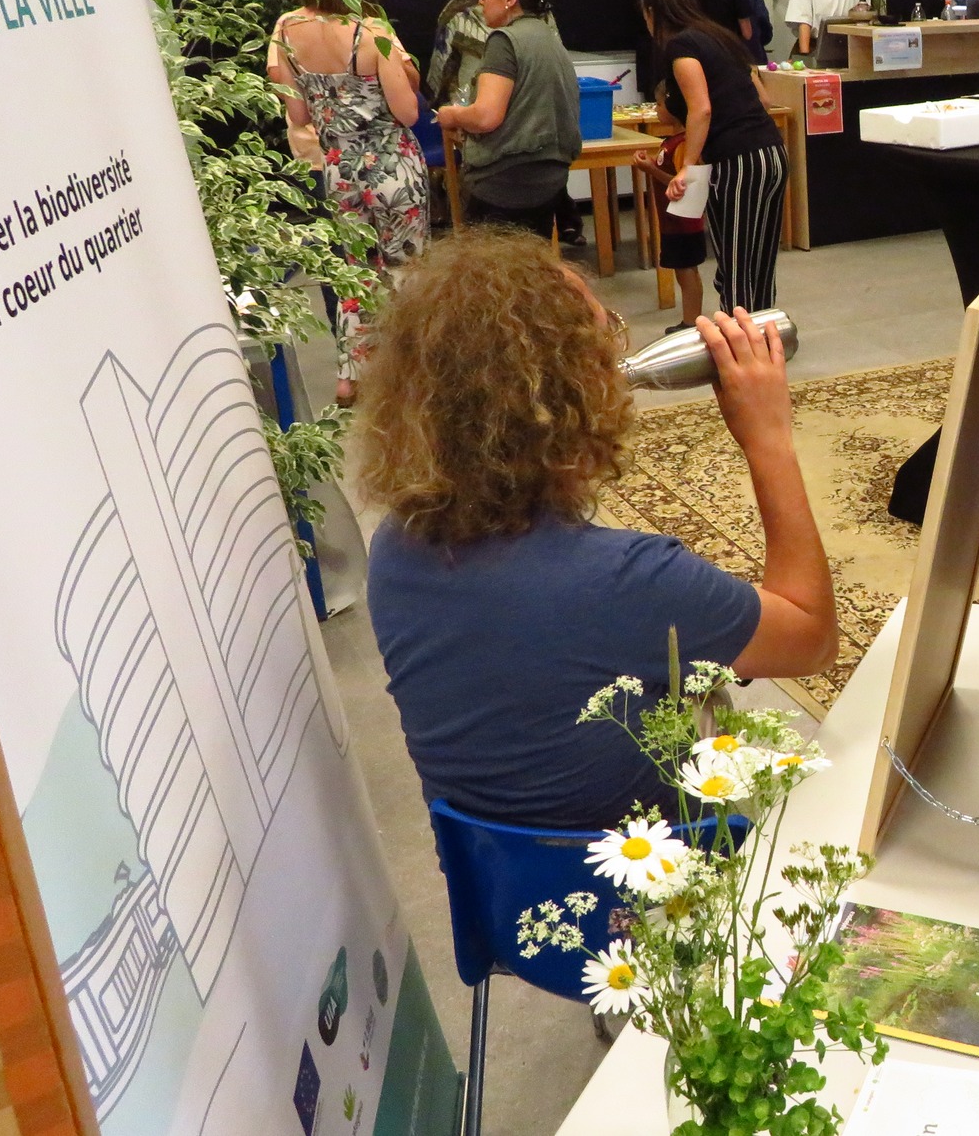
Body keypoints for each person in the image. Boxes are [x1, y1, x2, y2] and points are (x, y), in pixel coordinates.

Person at [358, 229, 836, 829]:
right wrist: (769, 440)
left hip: (499, 892)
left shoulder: (395, 547)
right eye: (605, 332)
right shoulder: (628, 578)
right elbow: (812, 637)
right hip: (649, 896)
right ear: (570, 394)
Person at [267, 0, 428, 407]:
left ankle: (350, 377)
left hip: (338, 165)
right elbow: (408, 111)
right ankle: (410, 372)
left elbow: (296, 112)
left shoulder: (286, 29)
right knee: (406, 270)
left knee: (355, 273)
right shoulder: (371, 31)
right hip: (391, 164)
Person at [643, 0, 789, 312]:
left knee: (736, 269)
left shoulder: (680, 46)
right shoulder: (718, 37)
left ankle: (740, 350)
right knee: (760, 267)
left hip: (738, 159)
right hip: (772, 152)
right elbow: (764, 101)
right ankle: (764, 340)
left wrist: (688, 167)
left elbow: (701, 109)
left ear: (653, 10)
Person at [435, 0, 582, 234]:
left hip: (506, 182)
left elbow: (486, 116)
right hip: (550, 180)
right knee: (529, 268)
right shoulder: (549, 38)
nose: (481, 3)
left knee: (494, 273)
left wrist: (452, 114)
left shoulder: (503, 41)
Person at [630, 78, 707, 325]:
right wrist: (652, 164)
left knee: (686, 271)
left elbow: (681, 182)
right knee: (682, 270)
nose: (656, 109)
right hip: (673, 220)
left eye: (660, 104)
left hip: (683, 220)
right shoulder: (673, 141)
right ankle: (690, 319)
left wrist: (650, 170)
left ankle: (691, 321)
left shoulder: (684, 143)